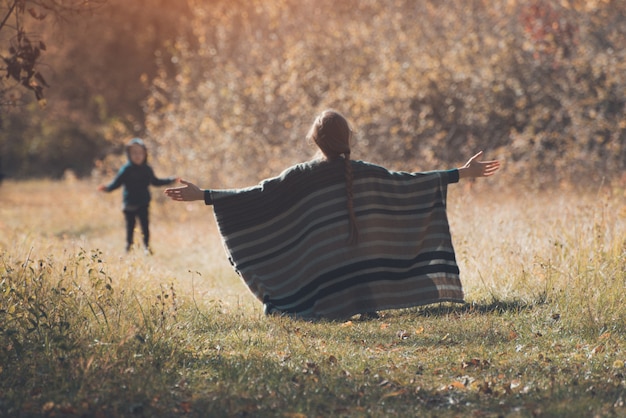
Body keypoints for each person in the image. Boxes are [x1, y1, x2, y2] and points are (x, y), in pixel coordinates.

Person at [165, 110, 500, 319]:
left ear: (315, 141)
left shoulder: (298, 176)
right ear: (348, 139)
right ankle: (361, 302)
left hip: (319, 290)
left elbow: (256, 197)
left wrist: (205, 196)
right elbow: (410, 183)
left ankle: (330, 304)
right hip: (362, 285)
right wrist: (461, 173)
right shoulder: (366, 172)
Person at [98, 137, 178, 253]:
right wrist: (107, 188)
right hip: (129, 204)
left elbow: (155, 182)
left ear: (145, 154)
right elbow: (116, 183)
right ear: (129, 154)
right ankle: (128, 247)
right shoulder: (126, 169)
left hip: (143, 202)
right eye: (134, 153)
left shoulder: (147, 169)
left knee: (145, 226)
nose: (137, 155)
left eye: (140, 153)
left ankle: (146, 247)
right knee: (130, 227)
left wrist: (170, 180)